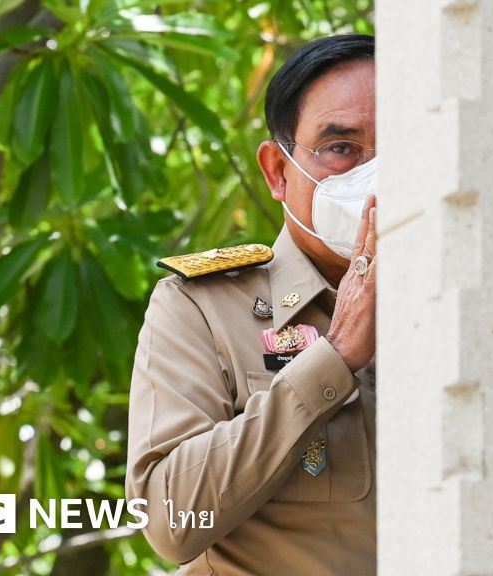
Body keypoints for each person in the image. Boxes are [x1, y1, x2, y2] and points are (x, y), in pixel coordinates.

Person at [125, 35, 378, 575]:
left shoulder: (467, 302)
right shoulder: (202, 306)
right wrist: (334, 359)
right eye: (342, 148)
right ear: (277, 172)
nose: (375, 176)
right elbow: (168, 520)